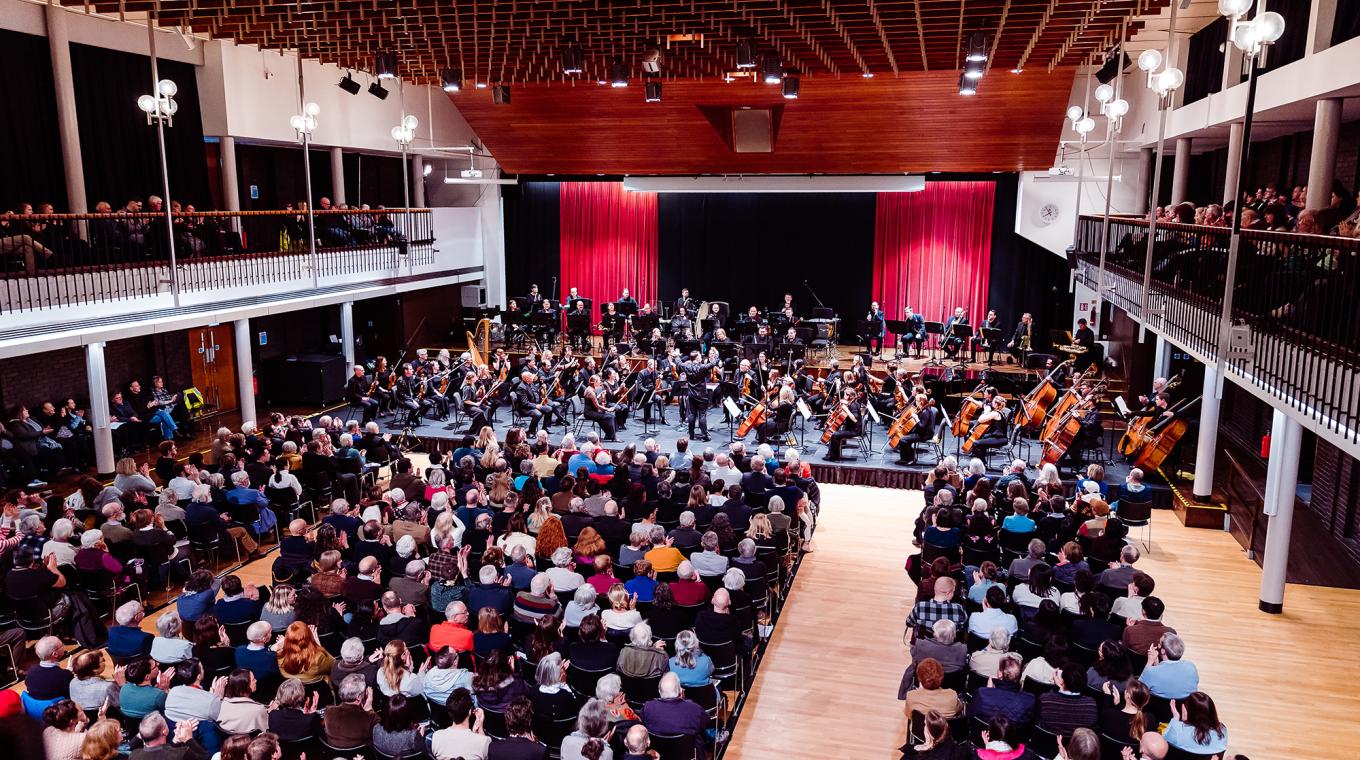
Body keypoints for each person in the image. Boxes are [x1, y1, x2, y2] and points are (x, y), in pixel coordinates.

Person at [898, 619, 967, 699]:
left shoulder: (921, 645)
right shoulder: (962, 650)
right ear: (954, 635)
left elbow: (914, 658)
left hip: (926, 684)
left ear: (935, 635)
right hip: (951, 689)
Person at [639, 673, 710, 751]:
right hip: (688, 754)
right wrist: (685, 701)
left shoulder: (648, 708)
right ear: (680, 691)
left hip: (660, 753)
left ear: (659, 691)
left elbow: (643, 722)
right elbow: (706, 722)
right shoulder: (694, 709)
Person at [967, 656, 1036, 728]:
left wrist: (987, 691)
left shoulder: (981, 694)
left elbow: (970, 717)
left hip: (981, 736)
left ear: (1000, 673)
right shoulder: (1030, 701)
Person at [1035, 663, 1097, 736]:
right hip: (1075, 746)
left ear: (1062, 681)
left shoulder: (1045, 700)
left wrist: (1056, 687)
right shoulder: (1091, 705)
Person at [323, 674, 378, 749]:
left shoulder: (328, 711)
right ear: (358, 697)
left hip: (332, 753)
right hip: (361, 754)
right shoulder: (369, 718)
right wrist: (369, 708)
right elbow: (381, 734)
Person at [1162, 692, 1228, 756]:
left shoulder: (1176, 731)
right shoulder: (1223, 731)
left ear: (1189, 712)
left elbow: (1163, 742)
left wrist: (1176, 719)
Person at [1139, 633, 1199, 700]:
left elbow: (1138, 690)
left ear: (1163, 651)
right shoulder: (1191, 667)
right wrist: (1156, 662)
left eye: (1159, 643)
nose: (1158, 645)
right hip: (1183, 708)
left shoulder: (1150, 672)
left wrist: (1150, 661)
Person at [130, 711, 209, 760]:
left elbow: (162, 753)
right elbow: (205, 758)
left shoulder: (134, 755)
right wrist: (188, 739)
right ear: (164, 732)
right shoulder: (181, 754)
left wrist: (175, 741)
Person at [372, 693, 426, 757]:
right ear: (408, 715)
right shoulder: (413, 736)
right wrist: (421, 737)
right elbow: (424, 754)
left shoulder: (376, 728)